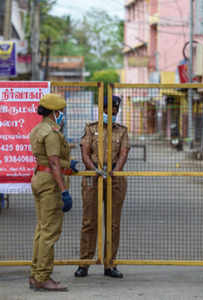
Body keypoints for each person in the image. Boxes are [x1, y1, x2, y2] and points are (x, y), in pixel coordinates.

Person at [75, 95, 130, 278]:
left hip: (114, 179)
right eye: (108, 111)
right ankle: (85, 262)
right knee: (89, 221)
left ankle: (110, 263)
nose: (111, 114)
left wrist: (116, 170)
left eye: (114, 112)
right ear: (101, 110)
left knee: (113, 223)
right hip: (93, 179)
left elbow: (123, 152)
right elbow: (85, 153)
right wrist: (95, 170)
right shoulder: (91, 129)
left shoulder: (122, 131)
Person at [29, 93, 79, 291]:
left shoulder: (37, 129)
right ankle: (43, 277)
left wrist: (68, 163)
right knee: (50, 232)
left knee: (41, 229)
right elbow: (53, 162)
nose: (63, 115)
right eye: (61, 112)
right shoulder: (50, 133)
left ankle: (35, 274)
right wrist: (64, 191)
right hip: (50, 182)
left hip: (39, 178)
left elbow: (48, 159)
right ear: (54, 112)